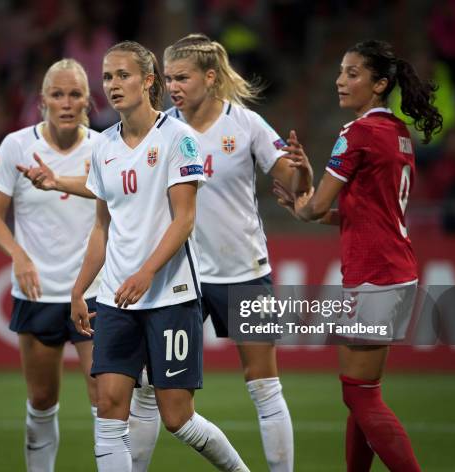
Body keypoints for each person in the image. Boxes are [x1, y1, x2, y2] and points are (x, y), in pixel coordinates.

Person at [71, 40, 250, 472]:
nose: (113, 85)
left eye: (123, 75)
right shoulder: (102, 146)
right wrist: (80, 290)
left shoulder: (179, 139)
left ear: (148, 81)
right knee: (110, 403)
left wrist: (147, 272)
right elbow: (102, 225)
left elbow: (184, 219)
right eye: (108, 77)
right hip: (116, 298)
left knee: (177, 418)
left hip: (171, 294)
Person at [139, 33, 309, 472]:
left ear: (210, 77)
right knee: (147, 388)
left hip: (242, 270)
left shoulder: (245, 124)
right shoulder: (159, 129)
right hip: (181, 277)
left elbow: (291, 181)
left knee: (265, 385)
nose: (172, 86)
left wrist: (300, 174)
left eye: (182, 77)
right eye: (168, 78)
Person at [273, 39, 443, 471]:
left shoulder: (359, 133)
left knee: (358, 394)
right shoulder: (398, 133)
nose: (340, 81)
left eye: (353, 74)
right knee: (363, 392)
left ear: (380, 83)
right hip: (396, 270)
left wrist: (303, 194)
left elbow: (312, 209)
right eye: (341, 72)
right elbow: (361, 213)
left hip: (373, 274)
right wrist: (309, 203)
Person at [0, 58, 101, 472]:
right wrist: (19, 256)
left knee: (106, 401)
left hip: (93, 294)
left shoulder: (103, 149)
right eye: (57, 94)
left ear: (88, 99)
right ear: (42, 101)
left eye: (74, 94)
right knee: (42, 400)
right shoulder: (17, 145)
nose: (66, 103)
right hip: (38, 294)